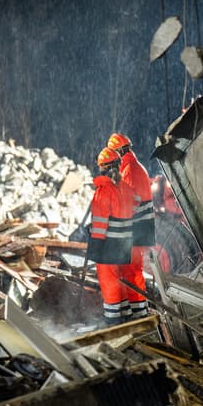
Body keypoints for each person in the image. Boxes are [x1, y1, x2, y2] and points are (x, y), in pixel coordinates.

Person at [86, 147, 135, 325]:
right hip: (123, 244)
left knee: (109, 282)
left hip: (108, 245)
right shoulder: (125, 189)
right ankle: (124, 313)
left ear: (102, 167)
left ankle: (113, 319)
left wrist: (95, 243)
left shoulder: (104, 190)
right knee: (120, 279)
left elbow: (100, 223)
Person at [106, 133, 154, 319]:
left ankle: (137, 315)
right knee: (129, 271)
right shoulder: (132, 167)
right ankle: (132, 312)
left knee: (131, 272)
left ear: (117, 152)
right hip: (138, 230)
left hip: (135, 231)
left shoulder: (130, 170)